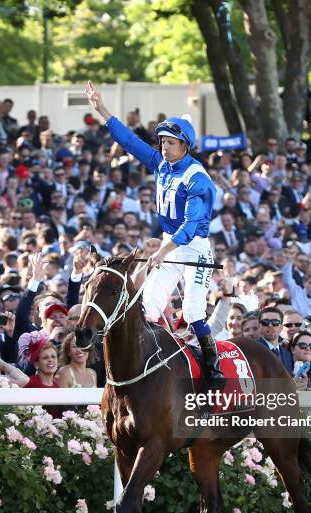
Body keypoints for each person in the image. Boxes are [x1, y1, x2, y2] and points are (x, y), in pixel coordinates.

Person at [85, 81, 225, 388]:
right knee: (146, 306)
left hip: (194, 248)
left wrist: (163, 250)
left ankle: (213, 367)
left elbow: (190, 226)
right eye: (162, 142)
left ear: (185, 145)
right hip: (168, 243)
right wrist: (103, 110)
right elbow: (131, 142)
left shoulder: (198, 179)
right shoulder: (162, 165)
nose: (164, 147)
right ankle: (150, 363)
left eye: (170, 143)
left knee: (191, 310)